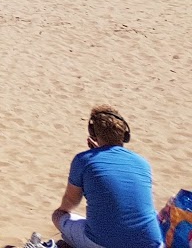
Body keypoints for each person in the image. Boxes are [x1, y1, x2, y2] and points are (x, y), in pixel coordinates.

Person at [50, 105, 161, 248]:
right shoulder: (143, 163)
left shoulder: (83, 160)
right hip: (151, 244)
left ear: (93, 134)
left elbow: (70, 202)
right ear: (125, 135)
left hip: (102, 243)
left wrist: (62, 211)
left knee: (58, 216)